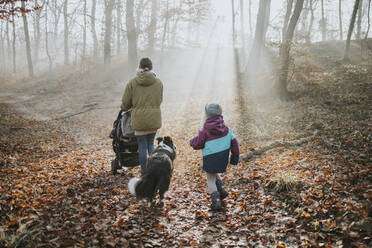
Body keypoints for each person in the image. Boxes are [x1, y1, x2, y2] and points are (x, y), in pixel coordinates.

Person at [190, 103, 239, 210]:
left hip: (210, 159)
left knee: (210, 179)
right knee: (214, 172)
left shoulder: (205, 131)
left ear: (206, 115)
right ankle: (221, 189)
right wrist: (235, 157)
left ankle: (216, 200)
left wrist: (192, 142)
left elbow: (198, 143)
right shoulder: (227, 129)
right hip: (223, 159)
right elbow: (235, 143)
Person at [121, 58, 163, 174]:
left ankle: (144, 172)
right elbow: (159, 100)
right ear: (151, 67)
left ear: (139, 67)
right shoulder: (158, 83)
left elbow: (125, 103)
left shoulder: (132, 83)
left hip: (139, 121)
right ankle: (154, 170)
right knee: (151, 144)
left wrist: (125, 108)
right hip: (154, 119)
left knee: (142, 147)